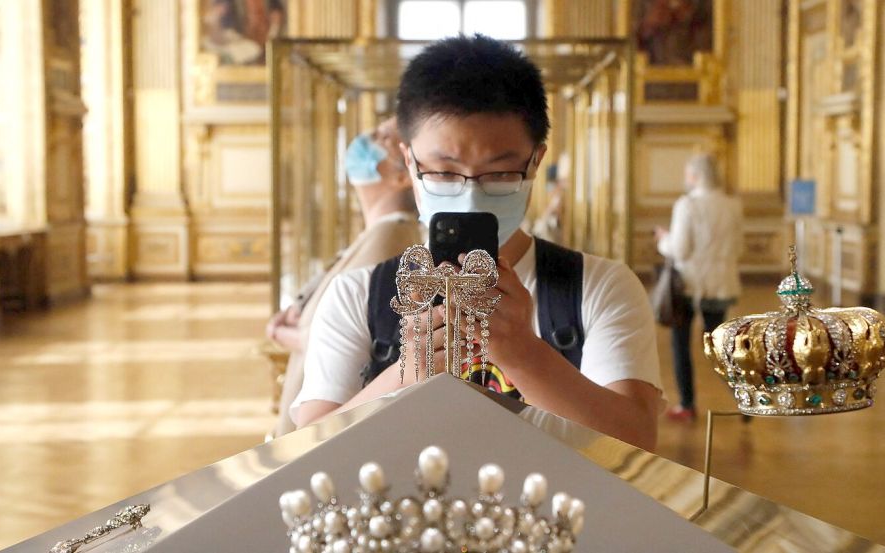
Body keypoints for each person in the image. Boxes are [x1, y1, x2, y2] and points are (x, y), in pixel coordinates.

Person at [291, 35, 663, 451]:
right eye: (444, 173)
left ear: (535, 161)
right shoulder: (359, 295)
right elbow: (308, 449)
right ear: (409, 161)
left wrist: (523, 353)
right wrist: (408, 372)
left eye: (500, 174)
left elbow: (638, 442)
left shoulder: (599, 287)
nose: (470, 195)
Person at [269, 117, 423, 436]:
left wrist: (291, 335)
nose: (367, 136)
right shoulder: (380, 232)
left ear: (401, 174)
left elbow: (359, 329)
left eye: (382, 138)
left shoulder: (390, 240)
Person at [654, 153, 743, 422]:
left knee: (680, 345)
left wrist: (663, 240)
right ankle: (745, 396)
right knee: (719, 346)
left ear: (693, 176)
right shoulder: (733, 205)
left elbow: (680, 249)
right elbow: (739, 247)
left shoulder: (687, 205)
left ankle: (687, 404)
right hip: (721, 284)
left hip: (689, 285)